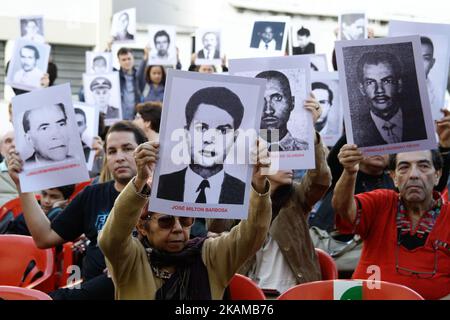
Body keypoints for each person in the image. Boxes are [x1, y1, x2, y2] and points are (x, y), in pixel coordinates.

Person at [98, 138, 272, 300]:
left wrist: (258, 184)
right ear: (142, 227)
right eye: (166, 221)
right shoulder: (129, 259)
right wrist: (140, 180)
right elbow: (110, 239)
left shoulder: (210, 256)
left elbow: (252, 235)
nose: (178, 228)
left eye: (186, 220)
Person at [6, 121, 148, 300]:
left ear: (144, 151)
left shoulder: (159, 196)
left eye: (127, 149)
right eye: (112, 151)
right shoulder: (92, 195)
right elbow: (44, 238)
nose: (119, 157)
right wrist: (22, 185)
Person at [208, 95, 331, 295]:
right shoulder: (237, 198)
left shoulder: (297, 198)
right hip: (248, 295)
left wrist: (311, 133)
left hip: (293, 293)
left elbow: (319, 180)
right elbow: (214, 227)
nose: (288, 164)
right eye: (278, 157)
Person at [332, 111, 450, 299]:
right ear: (393, 177)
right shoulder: (381, 202)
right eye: (404, 167)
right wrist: (349, 172)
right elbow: (344, 210)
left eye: (423, 166)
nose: (413, 175)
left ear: (437, 175)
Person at [157, 86, 246, 205]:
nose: (209, 139)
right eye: (202, 128)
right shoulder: (159, 186)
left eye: (222, 130)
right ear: (186, 132)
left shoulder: (245, 193)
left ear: (234, 138)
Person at [353, 51, 427, 147]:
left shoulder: (423, 124)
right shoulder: (353, 133)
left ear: (399, 85)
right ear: (362, 89)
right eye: (370, 82)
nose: (379, 90)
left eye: (387, 81)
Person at [255, 70, 309, 151]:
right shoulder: (241, 153)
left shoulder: (308, 150)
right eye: (260, 100)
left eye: (277, 98)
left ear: (292, 102)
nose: (268, 110)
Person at [4, 184, 75, 236]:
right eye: (44, 194)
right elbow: (44, 239)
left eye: (54, 197)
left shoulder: (72, 217)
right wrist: (54, 211)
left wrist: (55, 211)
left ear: (66, 201)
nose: (46, 201)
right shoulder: (24, 219)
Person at [117, 48, 142, 120]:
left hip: (136, 118)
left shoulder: (139, 76)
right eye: (124, 60)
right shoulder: (116, 76)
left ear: (133, 59)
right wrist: (108, 49)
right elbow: (104, 70)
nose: (127, 62)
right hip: (120, 119)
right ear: (119, 61)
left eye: (129, 59)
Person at [421, 36, 440, 120]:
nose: (419, 62)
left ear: (432, 63)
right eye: (416, 56)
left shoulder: (442, 96)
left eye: (426, 58)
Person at [0, 129, 18, 208]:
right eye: (8, 141)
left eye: (18, 140)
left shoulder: (40, 173)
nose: (14, 144)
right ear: (1, 149)